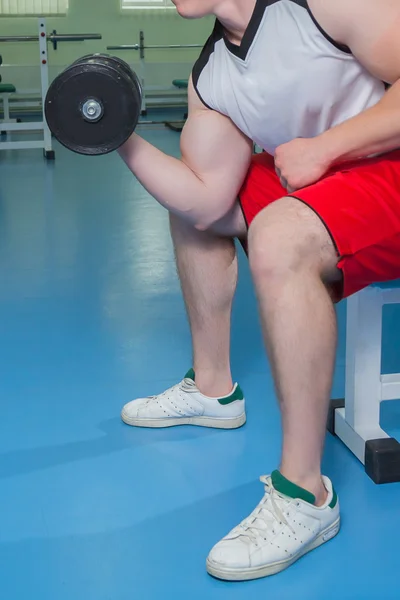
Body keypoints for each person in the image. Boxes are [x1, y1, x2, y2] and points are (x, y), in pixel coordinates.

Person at [117, 0, 400, 581]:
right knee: (190, 207)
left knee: (277, 235)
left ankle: (305, 496)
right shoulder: (212, 77)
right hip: (325, 183)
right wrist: (115, 133)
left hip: (387, 166)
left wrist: (327, 147)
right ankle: (213, 389)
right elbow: (205, 200)